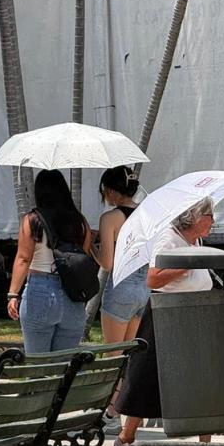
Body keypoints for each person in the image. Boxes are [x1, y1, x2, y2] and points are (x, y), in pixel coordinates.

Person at [113, 197, 224, 446]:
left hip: (195, 313)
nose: (214, 221)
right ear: (196, 217)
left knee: (203, 378)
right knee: (148, 378)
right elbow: (153, 278)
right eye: (210, 215)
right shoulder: (168, 238)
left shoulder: (194, 241)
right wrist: (188, 263)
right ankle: (126, 436)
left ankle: (205, 445)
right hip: (167, 315)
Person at [7, 169, 94, 353]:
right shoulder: (79, 222)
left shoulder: (32, 220)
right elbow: (82, 258)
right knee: (63, 367)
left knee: (37, 365)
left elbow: (23, 258)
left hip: (40, 291)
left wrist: (13, 294)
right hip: (73, 295)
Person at [93, 166, 150, 432]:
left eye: (105, 191)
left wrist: (89, 249)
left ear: (113, 191)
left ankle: (112, 412)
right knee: (129, 356)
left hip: (121, 288)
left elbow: (107, 262)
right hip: (143, 289)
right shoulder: (147, 214)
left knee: (111, 355)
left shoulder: (110, 218)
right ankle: (130, 409)